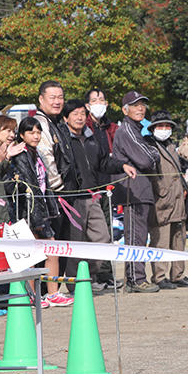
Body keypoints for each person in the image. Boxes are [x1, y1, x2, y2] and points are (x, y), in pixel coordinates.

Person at [60, 99, 136, 291]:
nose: (79, 117)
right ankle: (74, 284)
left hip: (92, 196)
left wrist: (122, 165)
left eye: (82, 114)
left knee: (102, 238)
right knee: (75, 244)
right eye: (75, 114)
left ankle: (90, 277)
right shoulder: (63, 139)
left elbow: (103, 162)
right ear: (65, 118)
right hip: (72, 199)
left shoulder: (92, 137)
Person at [11, 117, 72, 307]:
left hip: (40, 210)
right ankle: (31, 296)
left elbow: (44, 185)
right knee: (33, 255)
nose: (36, 136)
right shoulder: (21, 155)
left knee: (51, 252)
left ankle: (52, 293)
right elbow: (30, 187)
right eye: (31, 132)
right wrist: (37, 219)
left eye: (38, 132)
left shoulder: (37, 154)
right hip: (27, 213)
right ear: (21, 135)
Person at [111, 91, 161, 293]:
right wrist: (154, 153)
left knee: (140, 235)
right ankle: (135, 278)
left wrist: (152, 153)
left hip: (141, 190)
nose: (140, 108)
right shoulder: (128, 131)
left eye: (142, 104)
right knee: (135, 236)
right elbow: (147, 159)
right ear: (125, 110)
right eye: (135, 105)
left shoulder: (138, 129)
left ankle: (136, 277)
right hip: (133, 191)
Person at [145, 111, 188, 290]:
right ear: (153, 128)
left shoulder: (171, 145)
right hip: (160, 199)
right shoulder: (149, 145)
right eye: (160, 126)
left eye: (167, 126)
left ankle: (178, 274)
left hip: (177, 198)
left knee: (179, 238)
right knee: (160, 239)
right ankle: (159, 277)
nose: (164, 129)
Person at [83, 88, 123, 290]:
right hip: (91, 188)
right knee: (93, 232)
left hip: (108, 185)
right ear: (87, 106)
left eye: (102, 100)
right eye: (94, 100)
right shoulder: (84, 126)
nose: (99, 103)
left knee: (108, 231)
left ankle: (106, 273)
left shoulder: (110, 127)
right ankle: (94, 275)